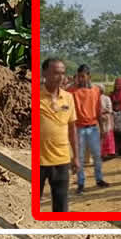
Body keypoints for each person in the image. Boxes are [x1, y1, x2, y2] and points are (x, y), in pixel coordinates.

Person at [38, 58, 78, 211]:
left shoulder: (68, 97)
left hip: (62, 160)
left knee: (61, 206)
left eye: (62, 73)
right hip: (38, 161)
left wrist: (76, 157)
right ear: (44, 73)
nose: (60, 77)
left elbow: (72, 129)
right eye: (56, 73)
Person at [68, 65, 110, 193]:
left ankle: (99, 179)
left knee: (97, 155)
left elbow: (98, 111)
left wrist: (102, 128)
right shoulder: (72, 91)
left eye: (83, 76)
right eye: (79, 76)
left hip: (93, 128)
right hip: (78, 128)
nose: (80, 79)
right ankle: (80, 183)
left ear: (89, 76)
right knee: (79, 157)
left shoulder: (96, 90)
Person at [99, 84, 116, 159]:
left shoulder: (106, 98)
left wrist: (102, 112)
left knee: (108, 135)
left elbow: (109, 109)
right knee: (101, 136)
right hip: (99, 119)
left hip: (106, 118)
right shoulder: (95, 98)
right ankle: (103, 153)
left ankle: (109, 152)